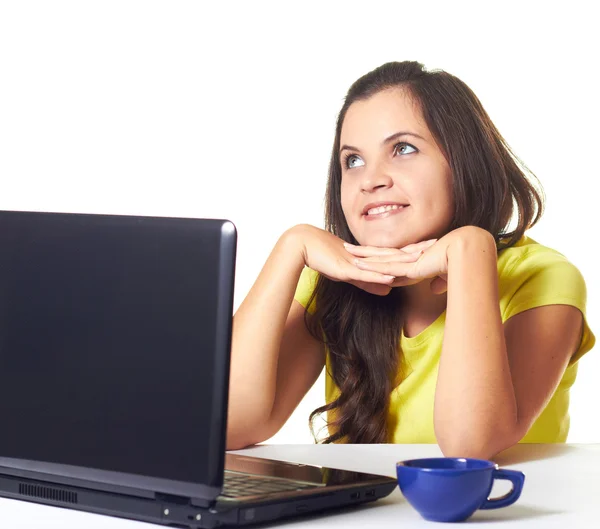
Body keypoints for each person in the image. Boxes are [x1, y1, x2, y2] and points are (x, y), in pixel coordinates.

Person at [226, 61, 595, 459]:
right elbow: (228, 426)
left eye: (402, 149)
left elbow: (471, 446)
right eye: (353, 160)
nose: (370, 179)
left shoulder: (544, 278)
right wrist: (290, 246)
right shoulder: (329, 281)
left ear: (463, 162)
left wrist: (470, 249)